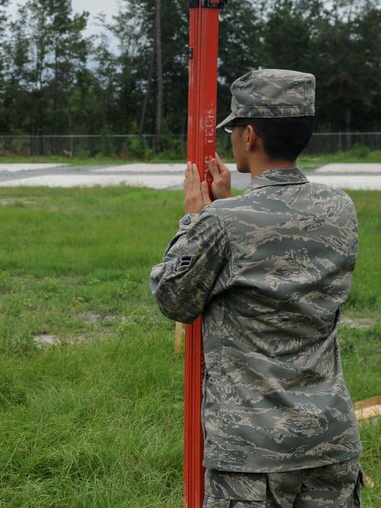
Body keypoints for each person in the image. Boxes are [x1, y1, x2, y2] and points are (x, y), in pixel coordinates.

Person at [150, 69, 363, 507]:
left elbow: (173, 298)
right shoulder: (340, 207)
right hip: (331, 441)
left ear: (249, 135)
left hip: (252, 454)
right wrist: (229, 207)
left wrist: (197, 220)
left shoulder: (223, 223)